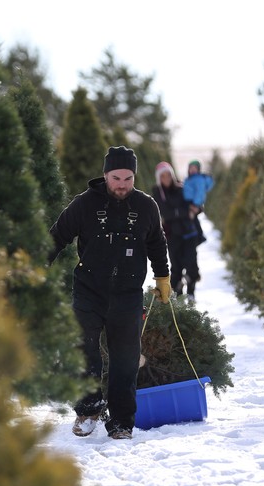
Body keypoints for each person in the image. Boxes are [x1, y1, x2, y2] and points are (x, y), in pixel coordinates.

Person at [49, 146, 171, 440]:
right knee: (85, 350)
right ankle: (88, 410)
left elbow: (156, 242)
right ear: (105, 175)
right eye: (116, 177)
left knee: (126, 360)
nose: (122, 184)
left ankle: (120, 422)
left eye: (128, 178)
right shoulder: (85, 204)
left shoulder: (146, 206)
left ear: (134, 177)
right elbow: (56, 236)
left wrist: (163, 275)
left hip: (127, 294)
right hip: (89, 290)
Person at [152, 161, 200, 300]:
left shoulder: (182, 188)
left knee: (191, 266)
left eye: (168, 175)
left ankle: (191, 295)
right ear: (159, 178)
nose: (166, 178)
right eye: (163, 176)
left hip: (189, 233)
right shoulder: (157, 193)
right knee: (176, 267)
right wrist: (185, 212)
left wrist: (195, 209)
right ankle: (177, 298)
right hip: (172, 236)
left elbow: (197, 205)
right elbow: (166, 213)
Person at [183, 160, 214, 245]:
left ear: (198, 169)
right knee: (192, 220)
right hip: (188, 202)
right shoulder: (190, 178)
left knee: (193, 220)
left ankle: (199, 236)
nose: (192, 170)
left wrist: (195, 204)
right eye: (190, 168)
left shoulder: (198, 179)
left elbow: (200, 193)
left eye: (194, 168)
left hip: (193, 202)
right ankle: (196, 236)